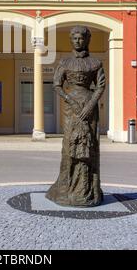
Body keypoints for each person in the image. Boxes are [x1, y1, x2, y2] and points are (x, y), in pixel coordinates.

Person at [46, 26, 106, 207]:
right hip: (71, 109)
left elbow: (100, 85)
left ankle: (89, 190)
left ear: (87, 40)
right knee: (69, 146)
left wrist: (90, 105)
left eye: (81, 38)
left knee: (90, 146)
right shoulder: (64, 62)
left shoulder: (96, 63)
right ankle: (66, 188)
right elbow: (56, 85)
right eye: (74, 38)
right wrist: (69, 100)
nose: (78, 41)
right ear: (71, 40)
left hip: (89, 108)